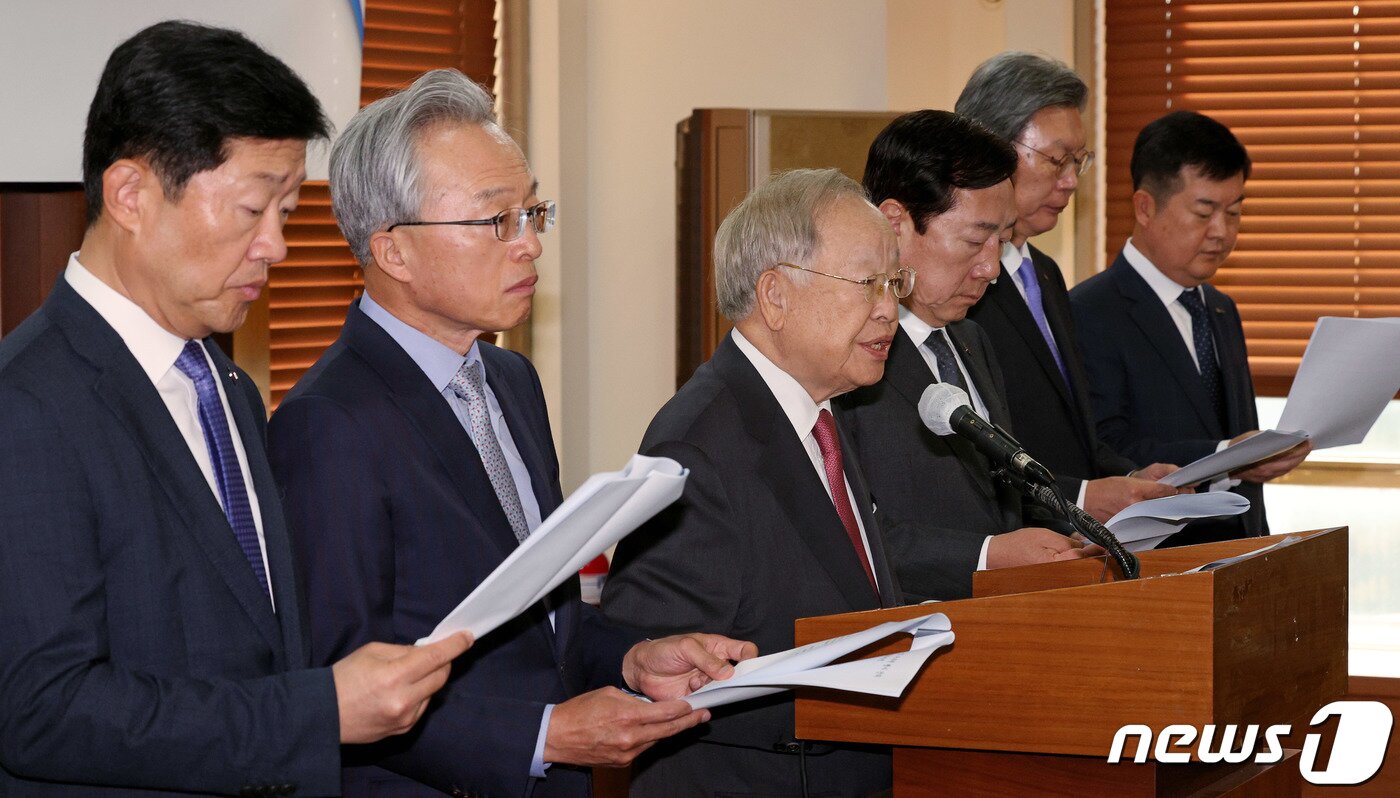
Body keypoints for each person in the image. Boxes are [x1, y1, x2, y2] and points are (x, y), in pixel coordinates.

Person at [0, 22, 469, 796]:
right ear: (130, 195)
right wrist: (315, 712)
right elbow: (45, 709)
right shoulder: (27, 406)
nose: (279, 246)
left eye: (288, 210)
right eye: (254, 209)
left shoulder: (229, 388)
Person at [267, 69, 754, 797]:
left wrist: (633, 658)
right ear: (393, 250)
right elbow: (337, 685)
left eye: (533, 213)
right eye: (497, 220)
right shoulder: (327, 423)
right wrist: (540, 736)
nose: (528, 244)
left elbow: (543, 622)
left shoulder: (511, 382)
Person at [603, 168, 903, 796]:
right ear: (775, 296)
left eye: (894, 282)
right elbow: (660, 657)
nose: (889, 308)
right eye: (867, 283)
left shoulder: (822, 413)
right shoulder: (696, 442)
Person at [839, 110, 1098, 602]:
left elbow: (1002, 499)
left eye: (1000, 242)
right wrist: (986, 557)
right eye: (976, 240)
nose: (990, 269)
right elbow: (852, 536)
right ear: (895, 224)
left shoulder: (973, 341)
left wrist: (1080, 531)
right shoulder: (848, 359)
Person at [956, 52, 1179, 522]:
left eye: (1079, 162)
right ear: (989, 147)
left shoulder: (1046, 273)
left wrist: (1131, 475)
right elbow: (971, 459)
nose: (1071, 181)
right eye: (1057, 160)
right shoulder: (956, 282)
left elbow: (1073, 434)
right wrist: (1079, 496)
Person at [1070, 110, 1311, 542]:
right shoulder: (1087, 312)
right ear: (1145, 207)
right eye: (1204, 213)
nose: (1222, 232)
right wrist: (1225, 456)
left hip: (1239, 553)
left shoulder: (1220, 309)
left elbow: (1233, 429)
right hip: (1155, 561)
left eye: (1234, 213)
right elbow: (1103, 449)